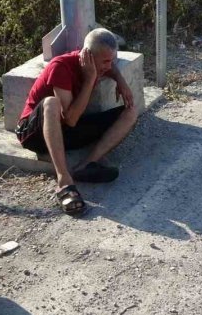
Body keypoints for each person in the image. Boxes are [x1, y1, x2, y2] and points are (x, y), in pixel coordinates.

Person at [15, 29, 138, 215]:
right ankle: (64, 181)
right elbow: (71, 119)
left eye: (111, 60)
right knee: (51, 103)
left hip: (66, 130)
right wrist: (89, 80)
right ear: (88, 56)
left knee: (130, 112)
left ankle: (87, 165)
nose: (109, 65)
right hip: (35, 132)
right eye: (105, 61)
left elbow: (110, 67)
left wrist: (120, 79)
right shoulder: (61, 66)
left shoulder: (99, 64)